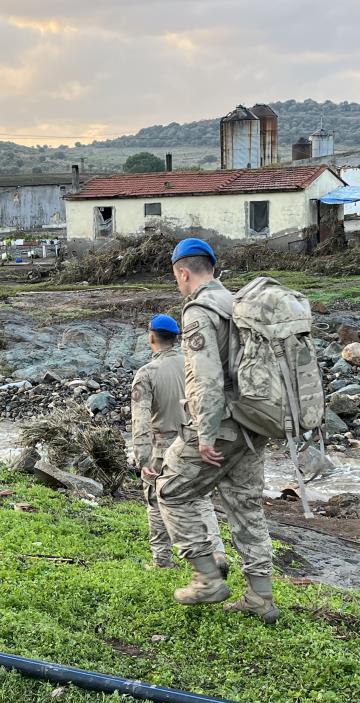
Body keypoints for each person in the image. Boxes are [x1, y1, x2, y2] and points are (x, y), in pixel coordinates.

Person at [155, 237, 279, 624]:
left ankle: (207, 577)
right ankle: (261, 596)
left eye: (177, 276)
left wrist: (205, 434)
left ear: (182, 272)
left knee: (171, 491)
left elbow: (205, 380)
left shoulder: (199, 311)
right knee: (245, 505)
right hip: (253, 422)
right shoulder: (238, 303)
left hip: (221, 425)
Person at [130, 314, 185, 568]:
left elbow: (140, 421)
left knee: (156, 501)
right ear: (176, 338)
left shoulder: (147, 373)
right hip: (195, 442)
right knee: (197, 500)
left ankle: (162, 560)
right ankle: (210, 559)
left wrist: (142, 459)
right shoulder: (193, 365)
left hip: (162, 447)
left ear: (151, 337)